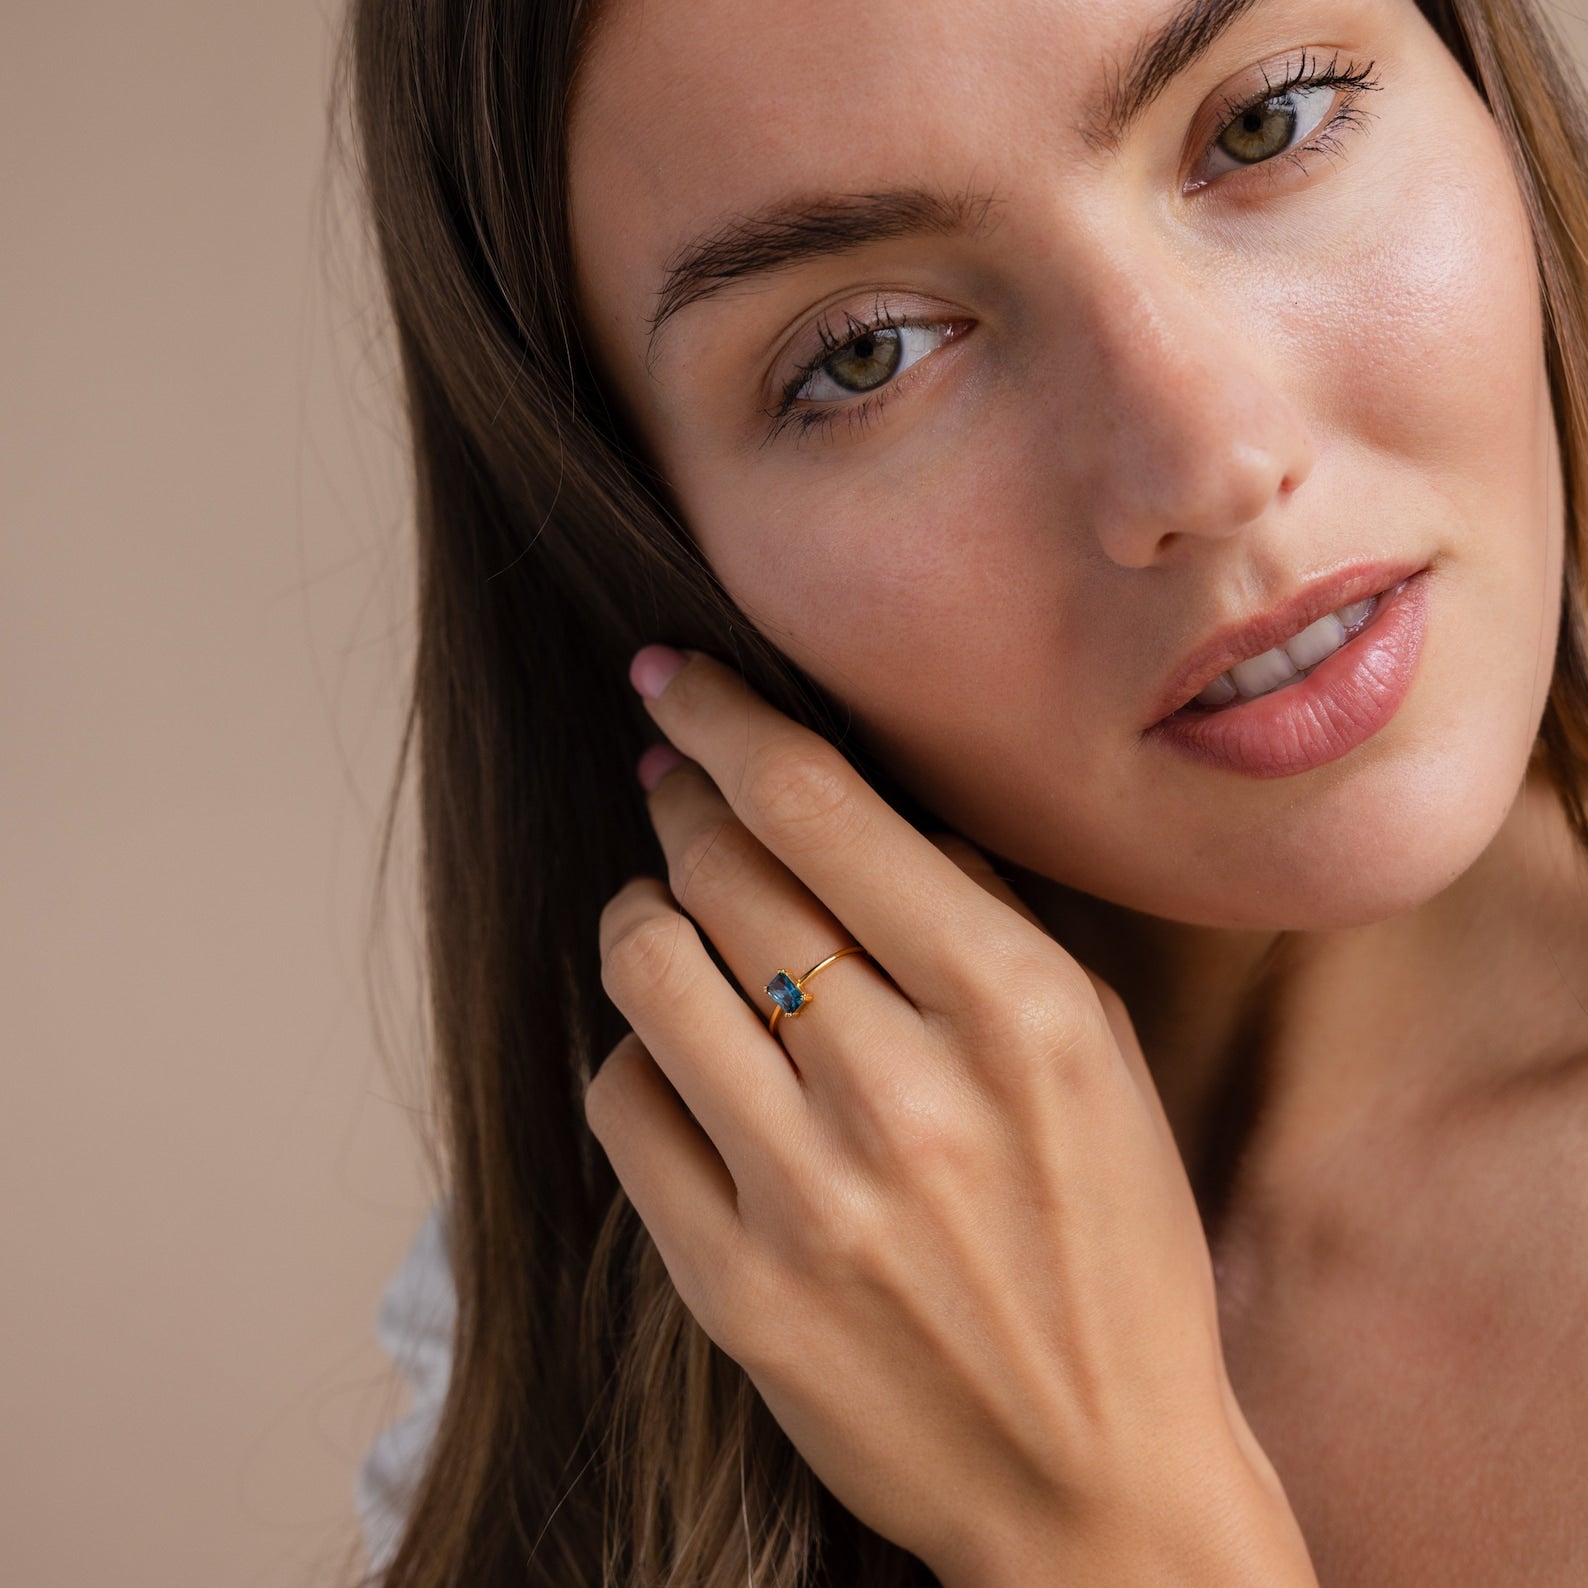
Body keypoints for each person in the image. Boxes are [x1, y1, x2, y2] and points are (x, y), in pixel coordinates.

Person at [339, 0, 1588, 1581]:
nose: (1207, 464)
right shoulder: (692, 1289)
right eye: (869, 354)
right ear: (641, 533)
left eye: (1265, 121)